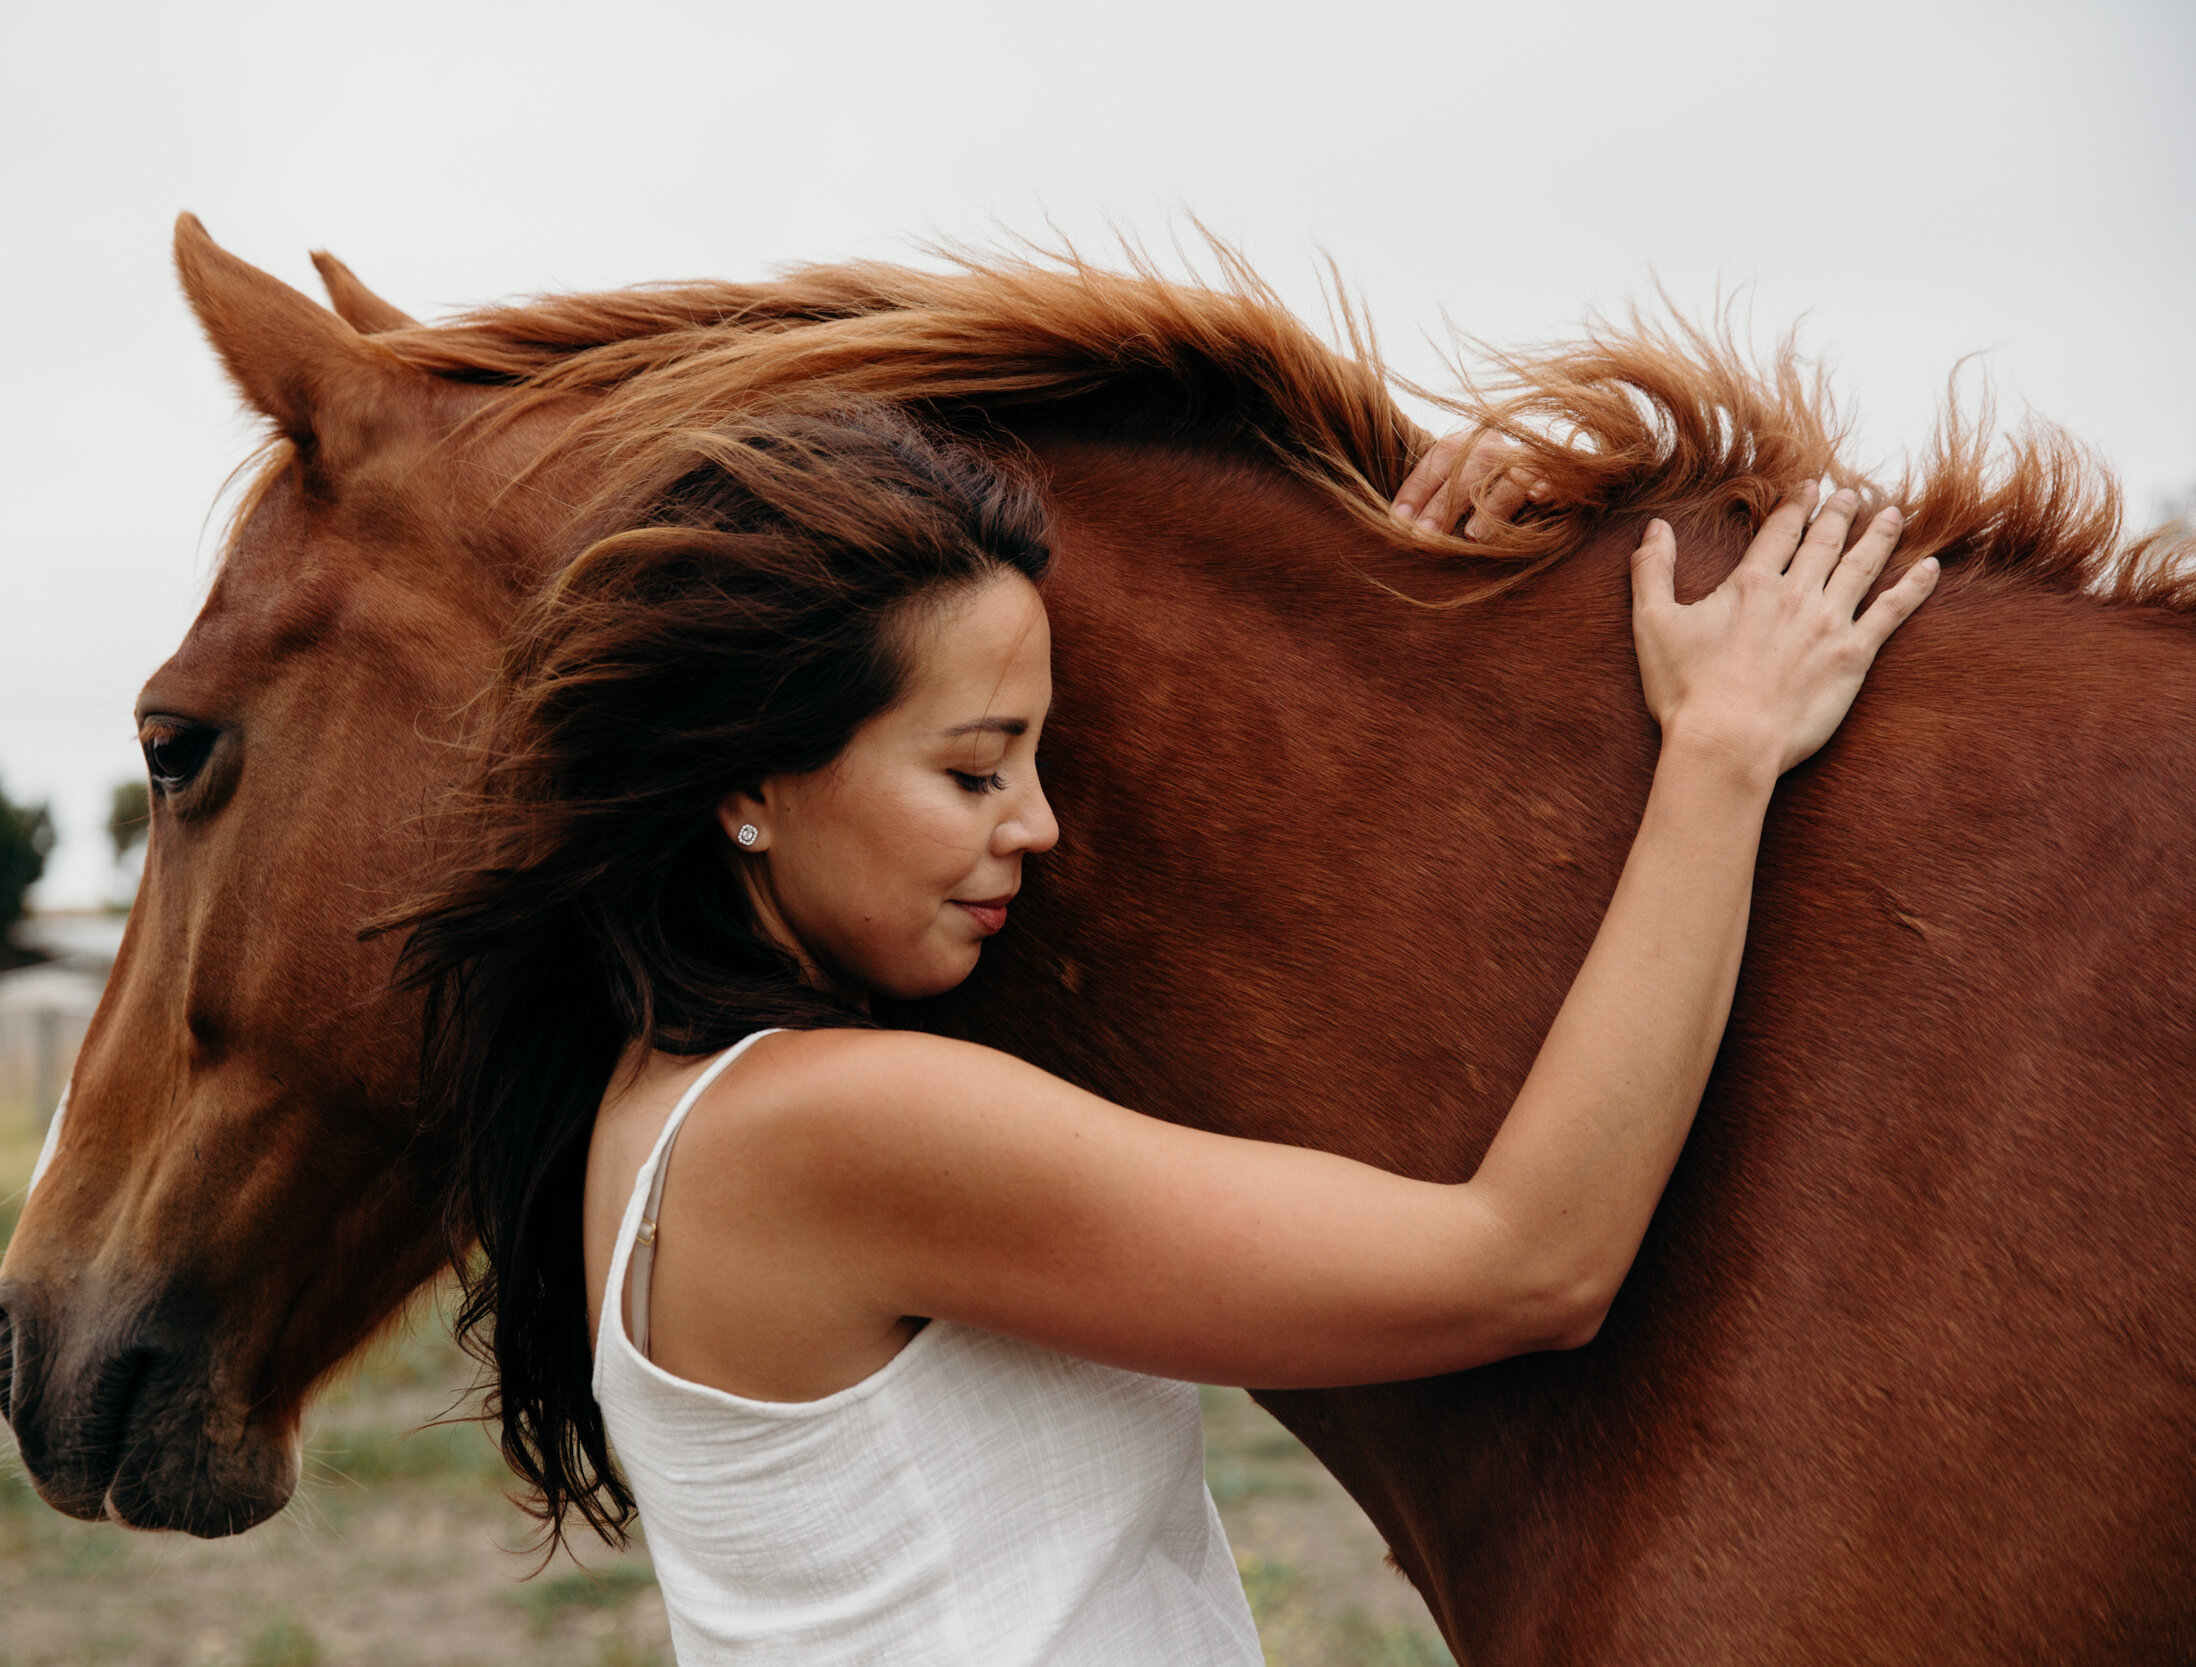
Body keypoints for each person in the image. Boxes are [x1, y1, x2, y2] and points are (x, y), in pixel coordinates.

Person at [394, 405, 1938, 1665]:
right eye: (976, 771)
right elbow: (1530, 1260)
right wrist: (1722, 755)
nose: (1042, 826)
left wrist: (1427, 615)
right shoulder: (831, 1129)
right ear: (748, 782)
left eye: (1040, 760)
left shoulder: (672, 1108)